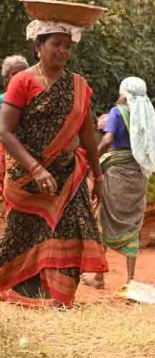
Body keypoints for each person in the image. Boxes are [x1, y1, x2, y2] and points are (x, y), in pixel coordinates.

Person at [0, 17, 107, 307]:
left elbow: (88, 136)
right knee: (21, 237)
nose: (62, 51)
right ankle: (25, 296)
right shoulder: (22, 81)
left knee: (73, 229)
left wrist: (98, 177)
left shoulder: (78, 86)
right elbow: (5, 131)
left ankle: (58, 300)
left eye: (67, 46)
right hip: (26, 179)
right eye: (56, 45)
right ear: (39, 46)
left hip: (67, 176)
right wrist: (35, 168)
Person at [85, 77, 155, 289]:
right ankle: (130, 279)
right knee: (132, 223)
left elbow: (108, 140)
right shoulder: (148, 115)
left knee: (103, 219)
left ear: (123, 91)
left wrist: (91, 160)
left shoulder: (118, 112)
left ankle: (99, 278)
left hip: (117, 173)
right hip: (138, 175)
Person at [0, 55, 29, 197]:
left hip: (25, 157)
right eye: (15, 73)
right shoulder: (1, 101)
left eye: (23, 73)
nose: (20, 77)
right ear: (6, 78)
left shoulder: (34, 102)